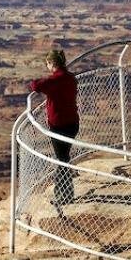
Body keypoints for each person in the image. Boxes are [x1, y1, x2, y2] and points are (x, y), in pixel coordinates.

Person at [30, 50, 79, 206]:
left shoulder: (56, 80)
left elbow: (35, 85)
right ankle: (65, 194)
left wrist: (46, 79)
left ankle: (64, 196)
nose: (47, 66)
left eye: (47, 63)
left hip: (59, 126)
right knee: (64, 158)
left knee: (62, 160)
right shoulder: (70, 77)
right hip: (73, 124)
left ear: (51, 63)